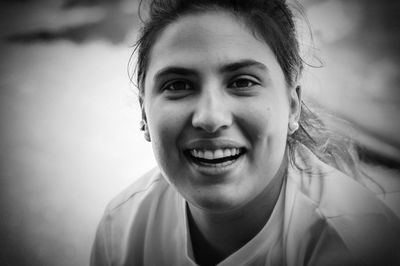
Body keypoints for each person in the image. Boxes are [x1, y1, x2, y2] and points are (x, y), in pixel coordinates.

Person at [91, 0, 400, 265]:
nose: (210, 118)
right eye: (178, 85)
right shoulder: (122, 229)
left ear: (292, 106)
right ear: (145, 113)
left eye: (242, 82)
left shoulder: (357, 245)